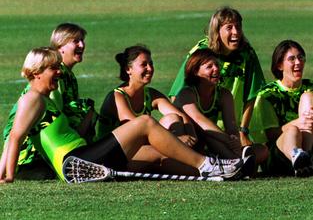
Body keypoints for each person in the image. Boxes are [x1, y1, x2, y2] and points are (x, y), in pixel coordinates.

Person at [0, 48, 243, 183]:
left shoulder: (41, 100)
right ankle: (207, 164)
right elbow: (15, 137)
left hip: (85, 157)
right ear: (38, 71)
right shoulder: (32, 98)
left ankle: (218, 169)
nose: (59, 73)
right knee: (145, 123)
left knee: (159, 157)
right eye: (54, 68)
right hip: (75, 163)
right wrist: (8, 176)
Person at [2, 23, 96, 177]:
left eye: (82, 40)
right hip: (33, 154)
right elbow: (17, 134)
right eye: (76, 41)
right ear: (60, 47)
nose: (82, 44)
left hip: (53, 148)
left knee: (86, 108)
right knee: (86, 108)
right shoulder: (47, 85)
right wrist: (7, 174)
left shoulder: (66, 76)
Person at [169, 7, 266, 147]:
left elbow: (252, 95)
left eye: (238, 27)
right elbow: (176, 95)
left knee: (260, 152)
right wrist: (189, 129)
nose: (236, 32)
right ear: (217, 30)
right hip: (201, 127)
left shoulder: (247, 54)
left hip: (232, 127)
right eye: (229, 27)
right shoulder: (201, 52)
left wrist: (243, 130)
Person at [254, 40, 313, 176]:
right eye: (292, 59)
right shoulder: (268, 95)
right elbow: (269, 135)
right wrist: (297, 123)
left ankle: (306, 158)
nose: (298, 62)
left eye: (300, 58)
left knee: (308, 97)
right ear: (279, 65)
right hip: (280, 159)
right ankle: (298, 157)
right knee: (293, 131)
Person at [173, 48, 268, 165]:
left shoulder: (224, 94)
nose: (216, 69)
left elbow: (232, 127)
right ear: (195, 72)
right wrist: (227, 140)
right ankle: (237, 163)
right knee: (208, 133)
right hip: (189, 145)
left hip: (212, 145)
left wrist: (235, 141)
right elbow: (200, 121)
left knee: (262, 150)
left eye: (217, 65)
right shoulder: (186, 94)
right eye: (209, 67)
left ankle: (234, 161)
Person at [96, 45, 197, 150]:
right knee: (167, 152)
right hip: (113, 153)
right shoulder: (117, 96)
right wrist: (176, 140)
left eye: (151, 64)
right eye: (144, 64)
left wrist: (192, 139)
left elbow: (182, 117)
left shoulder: (151, 94)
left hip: (138, 148)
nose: (150, 68)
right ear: (128, 69)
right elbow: (136, 130)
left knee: (173, 118)